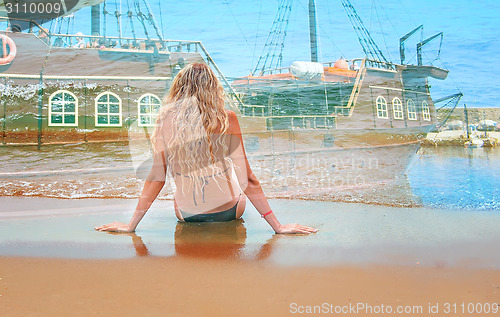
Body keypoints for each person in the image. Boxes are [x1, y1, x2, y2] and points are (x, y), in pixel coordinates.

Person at [95, 63, 318, 234]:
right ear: (213, 88)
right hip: (229, 212)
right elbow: (247, 179)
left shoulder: (165, 120)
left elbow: (156, 178)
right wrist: (277, 226)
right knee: (230, 179)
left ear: (178, 88)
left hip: (187, 216)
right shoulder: (226, 119)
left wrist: (130, 225)